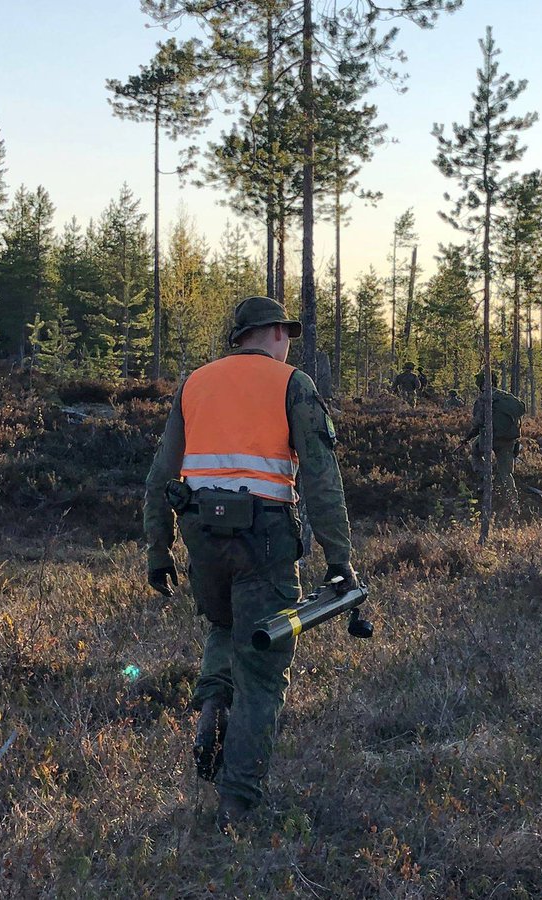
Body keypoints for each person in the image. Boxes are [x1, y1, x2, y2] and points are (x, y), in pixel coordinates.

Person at [143, 295, 356, 831]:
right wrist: (340, 560)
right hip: (263, 539)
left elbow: (159, 476)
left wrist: (158, 549)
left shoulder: (195, 383)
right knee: (262, 671)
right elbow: (321, 480)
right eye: (287, 335)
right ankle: (237, 806)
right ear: (278, 334)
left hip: (202, 535)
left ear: (238, 337)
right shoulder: (292, 384)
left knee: (223, 625)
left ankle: (213, 711)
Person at [463, 370, 525, 512]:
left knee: (475, 451)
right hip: (508, 441)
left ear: (480, 384)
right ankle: (513, 504)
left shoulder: (483, 399)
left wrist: (468, 437)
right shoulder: (508, 397)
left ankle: (485, 479)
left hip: (489, 439)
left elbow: (478, 422)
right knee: (506, 474)